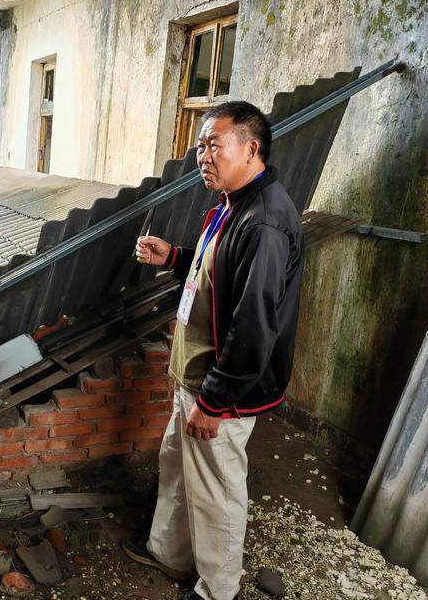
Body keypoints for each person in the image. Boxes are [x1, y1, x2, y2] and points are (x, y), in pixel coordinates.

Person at [122, 101, 305, 600]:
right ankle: (170, 553)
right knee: (178, 469)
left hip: (218, 389)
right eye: (200, 146)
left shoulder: (264, 222)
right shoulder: (233, 203)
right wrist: (176, 257)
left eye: (214, 145)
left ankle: (218, 590)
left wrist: (216, 401)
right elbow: (218, 276)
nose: (203, 155)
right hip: (195, 375)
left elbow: (254, 325)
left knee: (216, 491)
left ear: (250, 149)